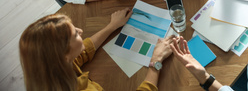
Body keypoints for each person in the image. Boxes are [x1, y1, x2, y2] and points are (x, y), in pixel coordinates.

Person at [19, 9, 175, 91]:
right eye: (75, 34)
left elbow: (83, 51)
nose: (80, 30)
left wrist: (112, 26)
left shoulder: (51, 68)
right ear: (64, 56)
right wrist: (155, 62)